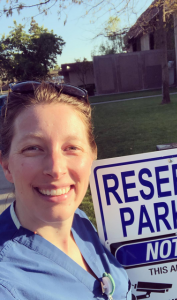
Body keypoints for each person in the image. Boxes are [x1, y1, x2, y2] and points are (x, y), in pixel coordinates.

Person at [0, 81, 131, 300]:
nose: (56, 169)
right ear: (6, 166)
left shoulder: (79, 220)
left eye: (71, 147)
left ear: (92, 155)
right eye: (32, 148)